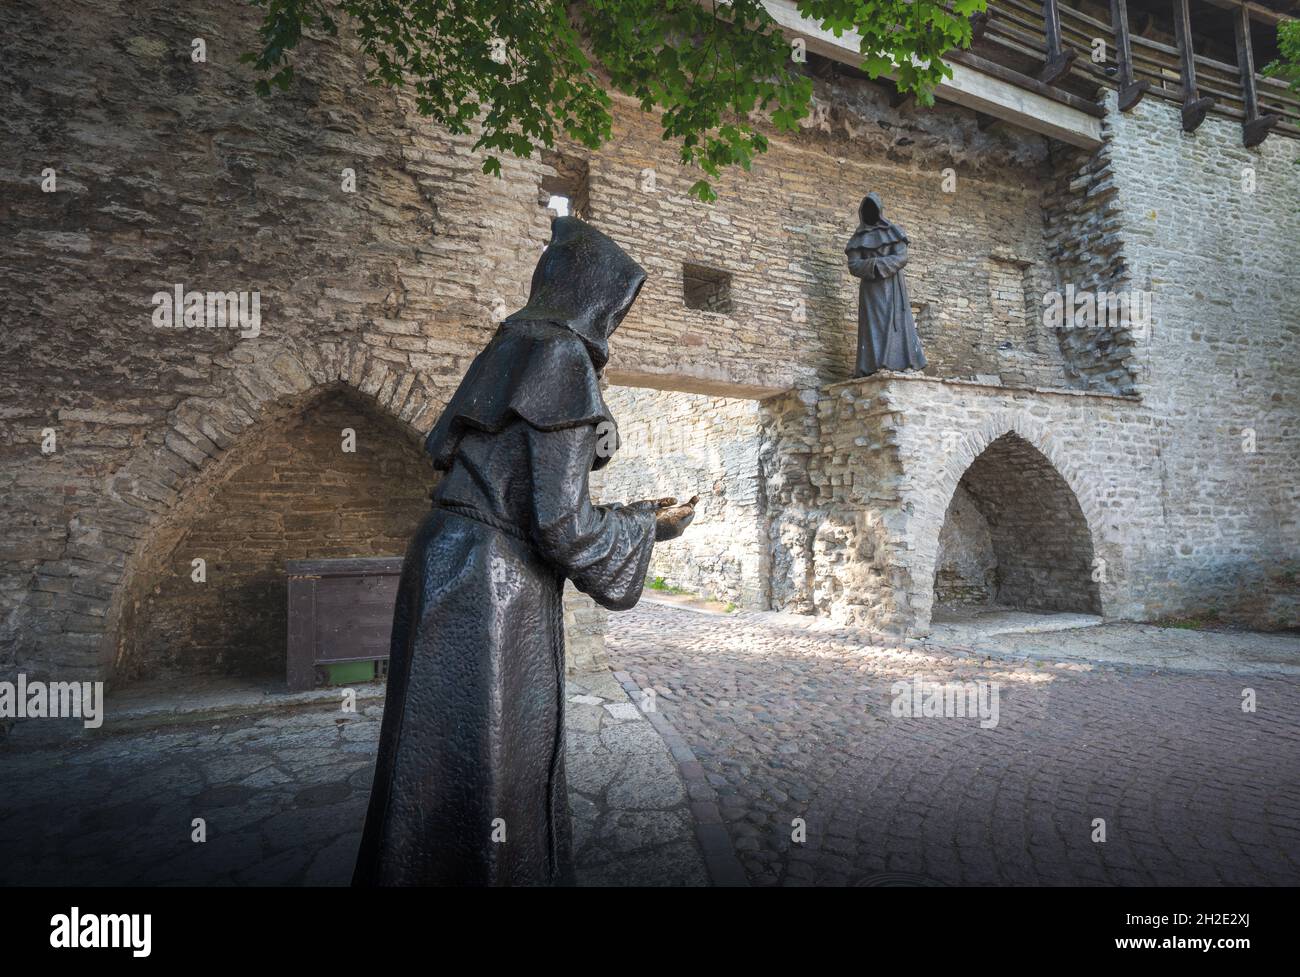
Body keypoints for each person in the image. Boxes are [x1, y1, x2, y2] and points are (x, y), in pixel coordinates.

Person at [353, 217, 695, 886]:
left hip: (445, 553)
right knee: (491, 753)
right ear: (599, 298)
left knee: (432, 748)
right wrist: (645, 527)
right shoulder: (561, 360)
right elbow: (562, 525)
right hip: (492, 580)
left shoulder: (509, 345)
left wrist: (624, 515)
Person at [846, 192, 926, 376]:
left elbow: (901, 257)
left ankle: (898, 362)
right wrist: (874, 265)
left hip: (892, 286)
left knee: (895, 323)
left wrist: (877, 264)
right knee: (872, 325)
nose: (870, 213)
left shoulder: (893, 232)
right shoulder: (858, 238)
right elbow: (853, 265)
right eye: (867, 210)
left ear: (879, 210)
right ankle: (872, 365)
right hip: (870, 291)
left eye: (873, 209)